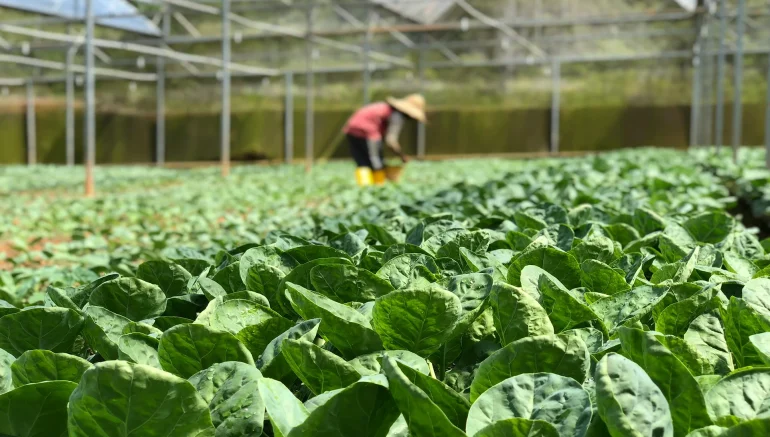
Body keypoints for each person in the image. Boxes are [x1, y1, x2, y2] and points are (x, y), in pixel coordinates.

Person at [342, 94, 427, 186]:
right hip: (368, 131)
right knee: (376, 161)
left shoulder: (385, 107)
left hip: (351, 129)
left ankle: (364, 188)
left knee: (362, 162)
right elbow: (391, 141)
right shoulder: (397, 116)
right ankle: (379, 187)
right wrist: (401, 155)